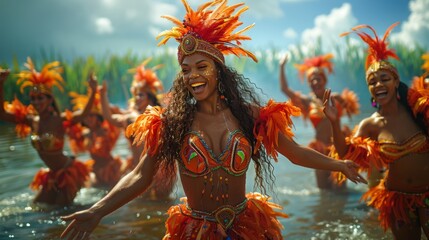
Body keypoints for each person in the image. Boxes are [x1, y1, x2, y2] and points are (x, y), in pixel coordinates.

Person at [60, 1, 366, 239]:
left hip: (247, 225)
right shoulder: (171, 123)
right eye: (186, 69)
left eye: (201, 66)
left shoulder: (250, 114)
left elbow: (294, 152)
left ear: (219, 70)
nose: (193, 75)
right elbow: (141, 175)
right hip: (195, 230)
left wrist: (338, 164)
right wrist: (97, 211)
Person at [324, 22, 429, 239]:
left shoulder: (418, 109)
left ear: (396, 81)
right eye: (372, 82)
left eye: (384, 79)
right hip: (397, 200)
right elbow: (345, 155)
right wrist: (335, 122)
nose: (378, 85)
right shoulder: (370, 124)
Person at [0, 58, 97, 206]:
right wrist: (0, 84)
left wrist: (93, 90)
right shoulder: (31, 120)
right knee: (36, 207)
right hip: (51, 173)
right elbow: (2, 114)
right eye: (33, 98)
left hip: (68, 172)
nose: (37, 102)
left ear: (50, 100)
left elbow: (83, 114)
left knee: (61, 212)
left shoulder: (59, 120)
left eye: (40, 98)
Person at [279, 53, 360, 190]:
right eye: (311, 79)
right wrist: (281, 66)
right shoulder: (307, 101)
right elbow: (285, 89)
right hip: (319, 151)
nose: (315, 82)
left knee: (341, 191)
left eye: (318, 79)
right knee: (324, 191)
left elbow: (352, 112)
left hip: (337, 149)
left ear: (324, 80)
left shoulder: (335, 98)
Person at [99, 59, 175, 200]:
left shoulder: (162, 117)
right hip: (139, 172)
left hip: (160, 173)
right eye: (136, 95)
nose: (137, 98)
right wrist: (102, 94)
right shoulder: (130, 118)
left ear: (150, 98)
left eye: (141, 95)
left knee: (160, 209)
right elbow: (109, 117)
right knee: (141, 205)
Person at [68, 88, 123, 188]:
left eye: (92, 116)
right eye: (86, 116)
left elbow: (113, 114)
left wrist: (102, 96)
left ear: (98, 118)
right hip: (94, 168)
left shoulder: (105, 130)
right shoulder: (84, 133)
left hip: (109, 170)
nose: (88, 119)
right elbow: (70, 125)